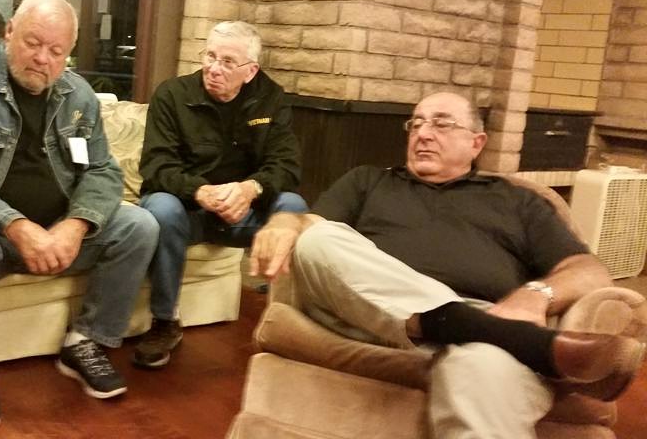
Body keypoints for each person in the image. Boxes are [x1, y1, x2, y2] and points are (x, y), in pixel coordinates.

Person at [249, 91, 646, 437]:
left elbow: (590, 272)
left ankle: (471, 327)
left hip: (479, 343)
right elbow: (312, 230)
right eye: (416, 123)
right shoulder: (367, 181)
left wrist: (537, 294)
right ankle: (500, 333)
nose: (423, 133)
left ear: (477, 143)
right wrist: (286, 220)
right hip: (366, 318)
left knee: (483, 365)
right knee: (316, 240)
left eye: (441, 123)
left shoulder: (518, 202)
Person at [0, 0, 158, 428]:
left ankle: (86, 341)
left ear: (68, 54)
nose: (42, 59)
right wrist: (15, 225)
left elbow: (101, 169)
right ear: (9, 32)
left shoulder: (79, 95)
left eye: (56, 51)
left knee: (139, 224)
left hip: (59, 235)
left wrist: (74, 226)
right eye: (32, 43)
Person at [135, 20, 307, 368]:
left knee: (294, 206)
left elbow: (286, 165)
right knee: (161, 208)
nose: (213, 68)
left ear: (250, 71)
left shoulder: (270, 98)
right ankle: (165, 321)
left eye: (227, 62)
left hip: (243, 212)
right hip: (187, 212)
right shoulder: (172, 95)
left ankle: (291, 323)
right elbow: (156, 166)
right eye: (210, 56)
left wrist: (250, 189)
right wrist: (200, 191)